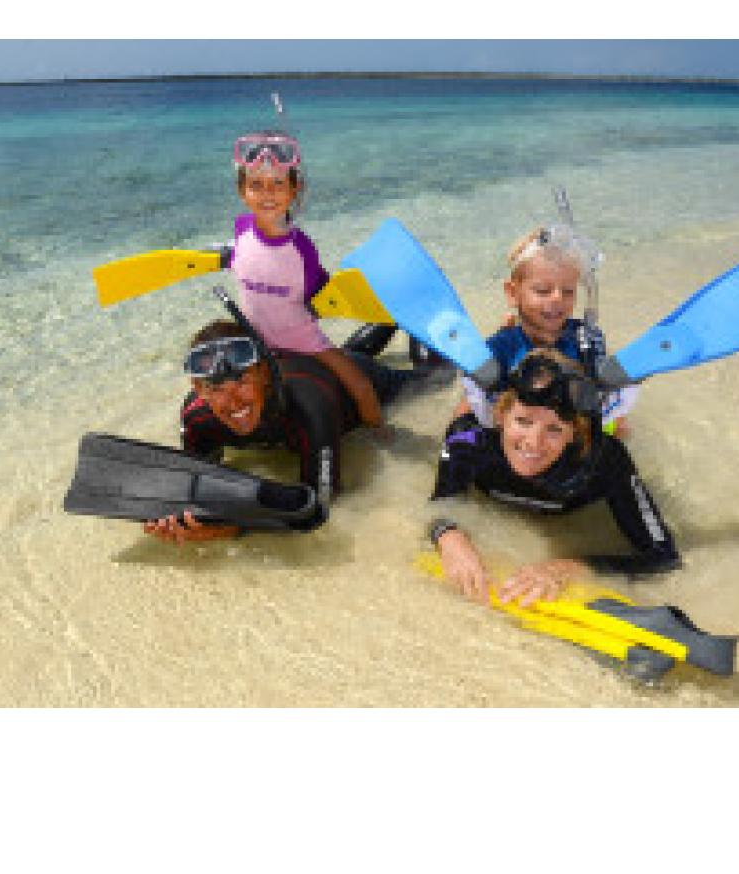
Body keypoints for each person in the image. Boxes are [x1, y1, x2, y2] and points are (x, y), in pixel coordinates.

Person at [144, 320, 434, 545]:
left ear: (265, 373)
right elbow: (200, 486)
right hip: (319, 369)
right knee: (347, 353)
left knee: (435, 377)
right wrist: (182, 519)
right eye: (216, 388)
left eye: (242, 382)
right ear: (198, 389)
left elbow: (321, 508)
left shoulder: (308, 407)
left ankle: (413, 308)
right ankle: (383, 320)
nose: (233, 402)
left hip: (357, 382)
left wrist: (230, 530)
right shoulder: (197, 419)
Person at [430, 351, 681, 607]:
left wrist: (571, 568)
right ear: (500, 415)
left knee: (619, 429)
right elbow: (440, 504)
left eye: (554, 429)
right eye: (523, 421)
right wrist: (449, 536)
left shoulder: (605, 460)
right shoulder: (468, 440)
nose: (533, 442)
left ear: (575, 432)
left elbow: (664, 556)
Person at [226, 130, 385, 428]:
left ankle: (381, 438)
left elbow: (321, 293)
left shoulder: (301, 248)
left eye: (277, 184)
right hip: (256, 341)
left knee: (362, 386)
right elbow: (243, 257)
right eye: (256, 185)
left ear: (294, 189)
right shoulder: (241, 228)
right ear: (242, 191)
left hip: (303, 341)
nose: (267, 193)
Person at [456, 224, 633, 434]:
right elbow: (469, 407)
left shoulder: (585, 339)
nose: (557, 298)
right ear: (512, 293)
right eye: (542, 290)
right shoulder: (499, 351)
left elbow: (609, 403)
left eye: (568, 291)